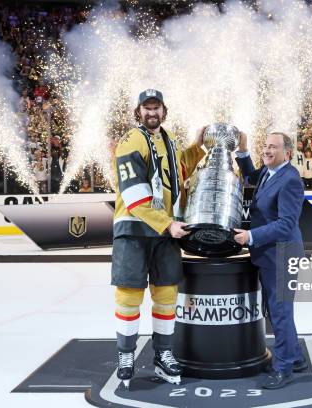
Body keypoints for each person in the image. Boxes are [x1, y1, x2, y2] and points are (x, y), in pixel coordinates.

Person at [111, 89, 205, 389]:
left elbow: (177, 173)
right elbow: (135, 193)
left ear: (164, 110)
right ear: (138, 111)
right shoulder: (130, 140)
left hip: (165, 232)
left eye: (156, 107)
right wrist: (168, 225)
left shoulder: (169, 140)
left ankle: (164, 355)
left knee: (165, 296)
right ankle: (126, 355)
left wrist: (198, 146)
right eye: (146, 108)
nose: (152, 113)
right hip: (135, 230)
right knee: (129, 296)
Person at [233, 131, 307, 390]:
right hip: (270, 254)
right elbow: (252, 176)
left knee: (280, 312)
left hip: (283, 255)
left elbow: (286, 224)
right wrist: (243, 152)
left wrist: (251, 236)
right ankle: (294, 357)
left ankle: (283, 368)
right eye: (265, 146)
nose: (266, 150)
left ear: (287, 153)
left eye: (273, 147)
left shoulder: (290, 180)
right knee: (277, 312)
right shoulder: (270, 172)